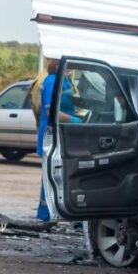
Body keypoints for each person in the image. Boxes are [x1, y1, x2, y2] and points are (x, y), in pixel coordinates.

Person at [36, 59, 82, 221]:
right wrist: (74, 120)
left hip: (64, 131)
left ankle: (61, 213)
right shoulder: (52, 82)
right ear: (59, 65)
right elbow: (51, 112)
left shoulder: (64, 81)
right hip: (53, 131)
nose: (71, 69)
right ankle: (44, 215)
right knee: (51, 174)